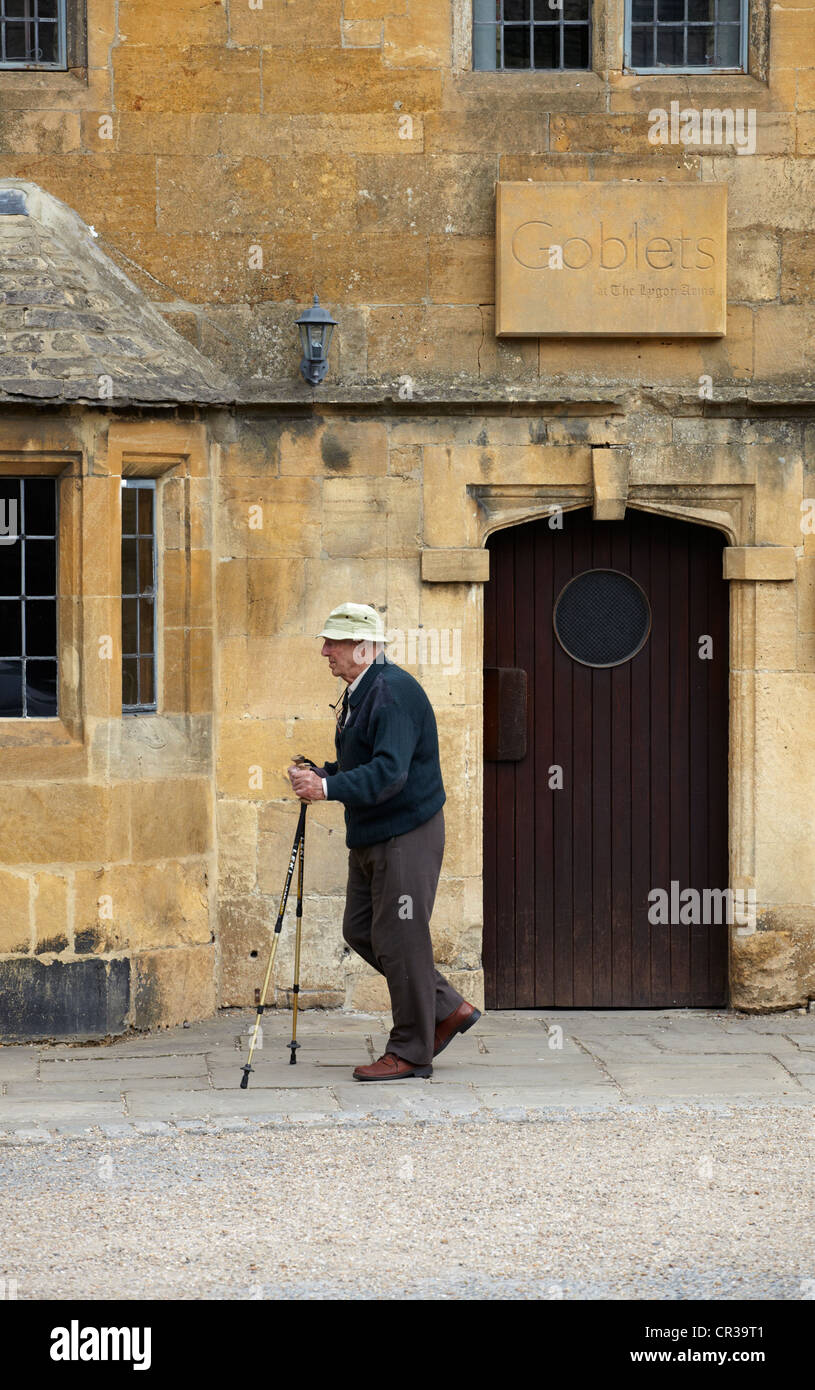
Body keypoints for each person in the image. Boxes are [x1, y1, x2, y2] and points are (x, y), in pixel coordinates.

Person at [287, 602, 480, 1080]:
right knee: (362, 929)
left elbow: (390, 774)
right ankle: (447, 1007)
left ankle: (412, 1051)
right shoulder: (362, 690)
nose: (325, 652)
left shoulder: (392, 693)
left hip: (405, 833)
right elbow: (368, 763)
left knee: (400, 938)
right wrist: (324, 773)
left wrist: (328, 788)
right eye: (327, 642)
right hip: (375, 833)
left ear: (365, 647)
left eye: (334, 643)